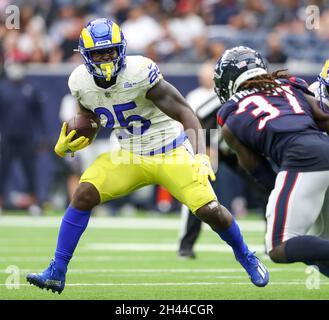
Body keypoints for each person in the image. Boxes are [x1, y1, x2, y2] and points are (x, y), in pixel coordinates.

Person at [26, 19, 269, 294]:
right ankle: (57, 270)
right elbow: (91, 118)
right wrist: (69, 146)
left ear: (122, 50)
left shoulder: (140, 72)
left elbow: (185, 112)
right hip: (128, 155)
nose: (106, 58)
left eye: (111, 51)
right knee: (83, 194)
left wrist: (200, 154)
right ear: (86, 56)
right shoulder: (80, 81)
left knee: (210, 212)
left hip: (170, 152)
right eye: (98, 53)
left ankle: (245, 255)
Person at [213, 46, 329, 277]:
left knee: (278, 245)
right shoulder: (289, 86)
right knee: (320, 245)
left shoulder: (229, 119)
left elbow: (260, 173)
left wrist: (280, 190)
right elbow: (325, 118)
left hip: (302, 159)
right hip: (322, 148)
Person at [0, 63, 46, 216]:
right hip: (7, 137)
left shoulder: (31, 88)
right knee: (3, 170)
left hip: (27, 137)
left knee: (30, 171)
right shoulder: (2, 88)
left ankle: (33, 202)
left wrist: (42, 136)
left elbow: (39, 116)